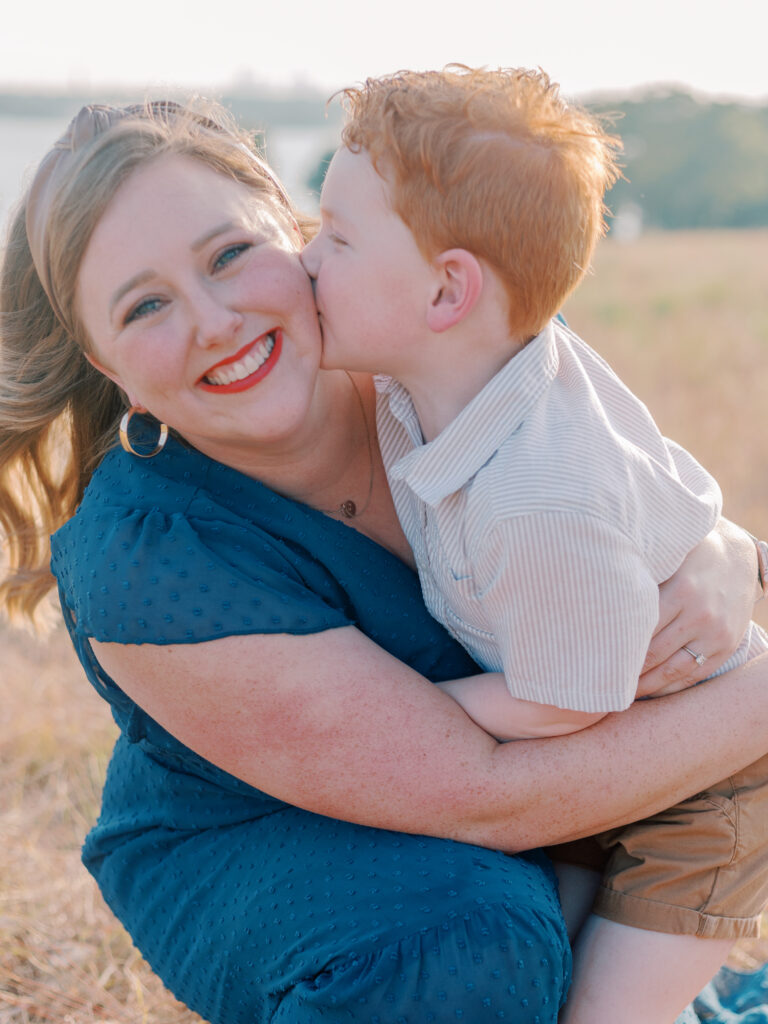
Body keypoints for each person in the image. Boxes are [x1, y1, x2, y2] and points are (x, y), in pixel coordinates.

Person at [0, 99, 766, 1024]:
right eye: (147, 306)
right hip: (264, 836)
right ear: (107, 364)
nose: (214, 321)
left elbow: (616, 488)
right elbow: (485, 797)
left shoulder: (440, 341)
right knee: (462, 951)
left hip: (526, 765)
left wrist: (724, 552)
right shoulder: (147, 560)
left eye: (229, 254)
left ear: (298, 231)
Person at [300, 66, 768, 1023]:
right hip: (608, 763)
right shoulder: (465, 367)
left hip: (706, 788)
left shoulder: (538, 497)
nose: (305, 260)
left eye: (336, 238)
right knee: (540, 977)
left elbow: (569, 697)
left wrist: (408, 712)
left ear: (447, 290)